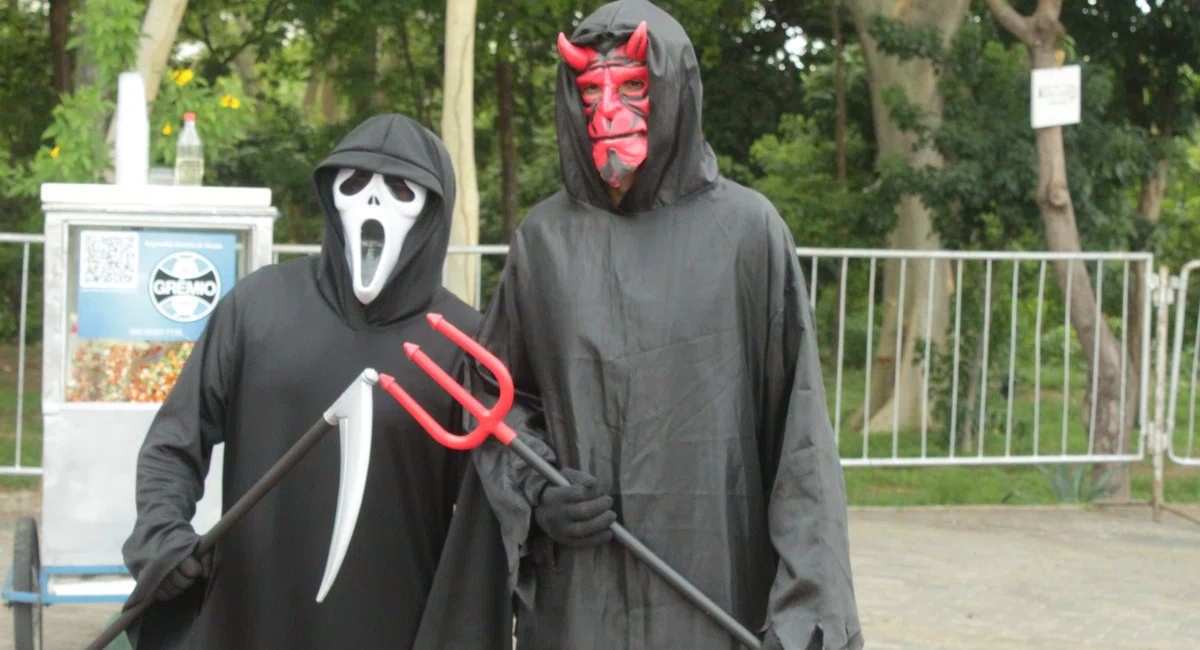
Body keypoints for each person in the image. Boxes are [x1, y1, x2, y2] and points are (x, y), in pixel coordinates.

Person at [466, 1, 863, 649]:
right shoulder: (544, 240)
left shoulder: (748, 233)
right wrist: (538, 492)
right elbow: (494, 394)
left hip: (716, 589)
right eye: (589, 91)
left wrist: (807, 613)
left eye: (631, 87)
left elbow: (801, 438)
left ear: (672, 89)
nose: (607, 110)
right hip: (584, 600)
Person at [121, 113, 511, 649]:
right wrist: (161, 535)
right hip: (251, 620)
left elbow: (496, 497)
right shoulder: (257, 307)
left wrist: (551, 500)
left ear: (432, 213)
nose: (373, 200)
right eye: (357, 182)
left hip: (392, 626)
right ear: (331, 194)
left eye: (401, 189)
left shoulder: (463, 344)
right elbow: (173, 443)